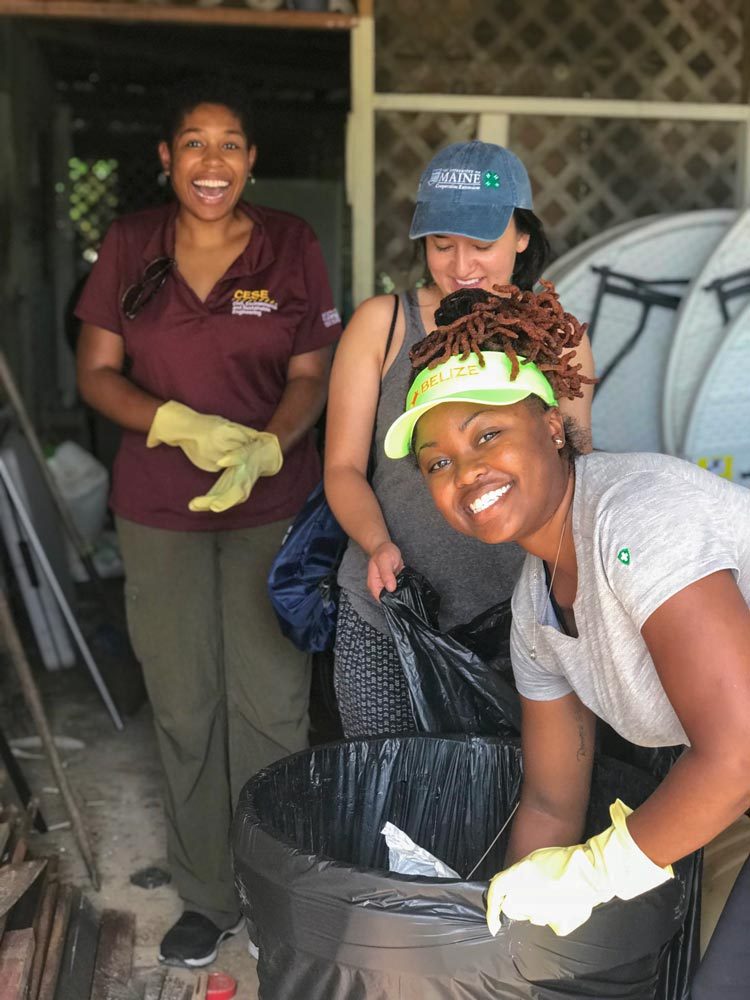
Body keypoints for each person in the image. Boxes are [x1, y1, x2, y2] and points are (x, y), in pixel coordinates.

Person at [384, 283, 750, 997]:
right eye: (437, 461)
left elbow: (736, 753)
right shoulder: (534, 612)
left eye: (487, 434)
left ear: (552, 425)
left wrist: (591, 875)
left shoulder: (637, 520)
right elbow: (553, 802)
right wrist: (506, 946)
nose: (466, 473)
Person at [75, 77, 341, 967]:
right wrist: (173, 422)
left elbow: (312, 375)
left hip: (271, 503)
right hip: (157, 509)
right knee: (186, 706)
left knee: (269, 704)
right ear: (166, 158)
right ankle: (207, 893)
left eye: (230, 143)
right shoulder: (127, 245)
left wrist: (268, 444)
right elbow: (96, 373)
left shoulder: (289, 245)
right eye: (194, 143)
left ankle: (277, 891)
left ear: (252, 158)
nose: (212, 162)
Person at [324, 141, 595, 737]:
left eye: (483, 244)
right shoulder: (384, 324)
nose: (462, 265)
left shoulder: (559, 339)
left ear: (522, 237)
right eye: (442, 245)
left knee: (521, 801)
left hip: (527, 620)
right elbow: (342, 468)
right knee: (395, 804)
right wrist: (375, 546)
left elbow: (579, 470)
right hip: (389, 611)